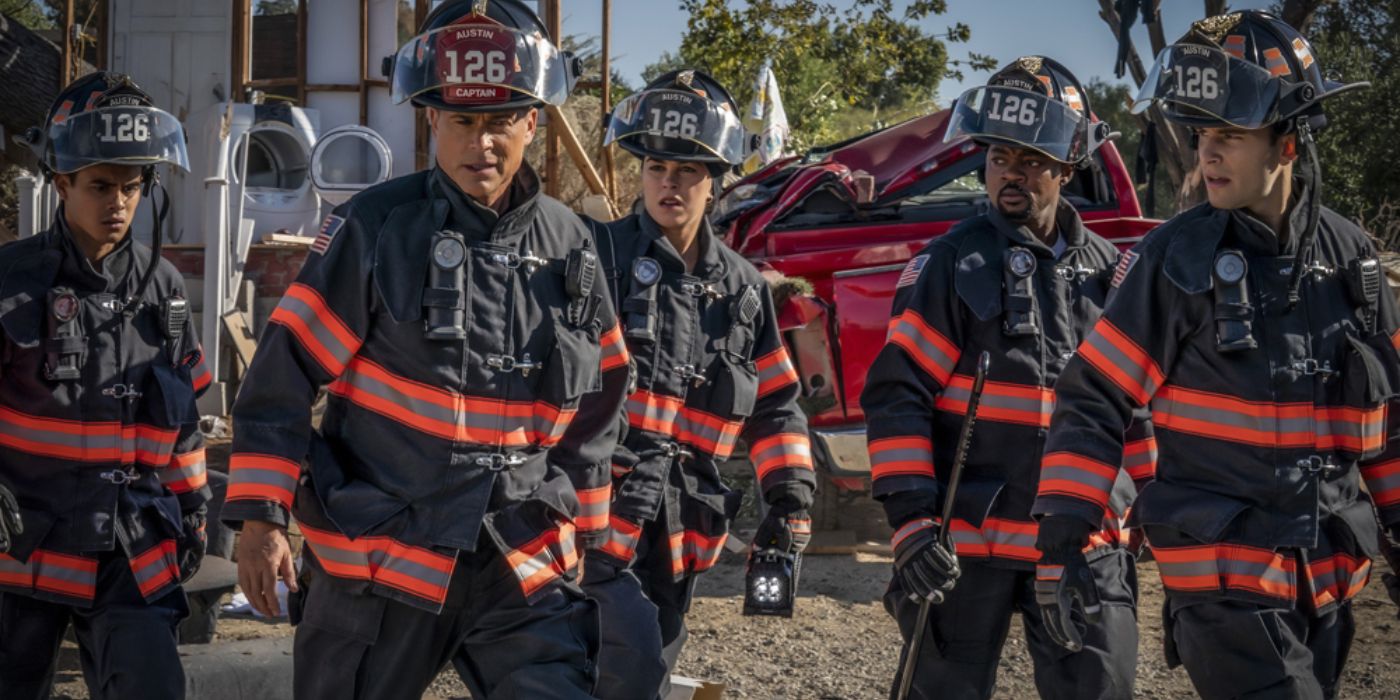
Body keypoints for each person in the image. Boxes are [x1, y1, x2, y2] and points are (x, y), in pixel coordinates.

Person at [223, 2, 631, 697]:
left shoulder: (574, 246)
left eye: (502, 120)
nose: (484, 143)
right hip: (382, 566)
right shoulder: (373, 230)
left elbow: (601, 403)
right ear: (431, 119)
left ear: (533, 121)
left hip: (519, 564)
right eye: (464, 121)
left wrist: (592, 540)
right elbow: (281, 380)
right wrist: (261, 520)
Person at [1035, 10, 1400, 699]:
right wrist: (1066, 531)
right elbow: (1095, 395)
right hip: (1223, 585)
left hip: (1327, 585)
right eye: (1202, 135)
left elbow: (1391, 420)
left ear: (1287, 144)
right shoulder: (1173, 258)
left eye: (1228, 135)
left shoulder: (1354, 259)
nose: (1207, 154)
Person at [860, 56, 1147, 700]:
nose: (1009, 172)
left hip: (1085, 545)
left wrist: (1140, 514)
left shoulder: (1115, 277)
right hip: (964, 548)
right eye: (996, 156)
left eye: (1030, 159)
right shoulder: (950, 265)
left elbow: (1139, 414)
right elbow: (897, 398)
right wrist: (910, 527)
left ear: (1068, 167)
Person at [580, 68, 817, 699]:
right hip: (597, 519)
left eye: (687, 170)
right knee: (621, 668)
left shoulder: (743, 289)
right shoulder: (594, 261)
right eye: (656, 167)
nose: (669, 183)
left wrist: (790, 497)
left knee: (646, 668)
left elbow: (777, 406)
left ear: (715, 182)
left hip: (685, 527)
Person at [0, 71, 211, 699]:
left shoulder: (164, 287)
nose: (117, 203)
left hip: (132, 552)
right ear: (61, 183)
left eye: (131, 186)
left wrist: (195, 513)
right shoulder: (10, 280)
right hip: (20, 552)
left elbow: (187, 423)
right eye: (98, 186)